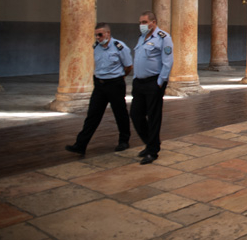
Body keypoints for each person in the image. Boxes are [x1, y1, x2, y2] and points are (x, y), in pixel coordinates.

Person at [65, 23, 133, 156]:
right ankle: (80, 145)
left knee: (120, 113)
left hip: (115, 84)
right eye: (96, 35)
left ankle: (124, 141)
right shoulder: (96, 47)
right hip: (100, 85)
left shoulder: (120, 47)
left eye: (100, 34)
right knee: (92, 115)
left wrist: (119, 78)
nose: (98, 37)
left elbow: (128, 66)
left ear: (108, 33)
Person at [131, 11, 173, 165]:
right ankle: (151, 144)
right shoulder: (142, 38)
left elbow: (167, 61)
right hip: (139, 83)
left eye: (144, 22)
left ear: (153, 22)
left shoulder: (163, 38)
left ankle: (152, 151)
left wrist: (160, 82)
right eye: (140, 22)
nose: (141, 25)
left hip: (153, 82)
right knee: (135, 114)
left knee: (154, 117)